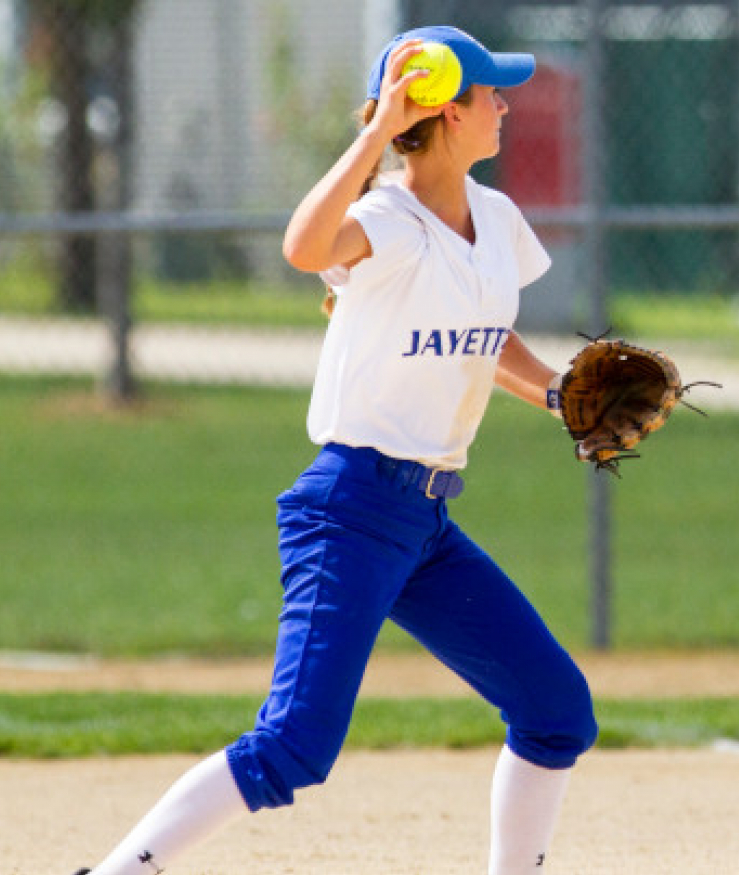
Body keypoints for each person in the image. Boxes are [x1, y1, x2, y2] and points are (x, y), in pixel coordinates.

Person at [68, 25, 596, 875]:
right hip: (349, 510)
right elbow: (305, 248)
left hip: (425, 521)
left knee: (556, 710)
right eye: (488, 90)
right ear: (443, 110)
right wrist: (376, 133)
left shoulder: (494, 219)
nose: (504, 102)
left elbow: (484, 337)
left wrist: (561, 396)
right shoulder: (384, 217)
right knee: (294, 747)